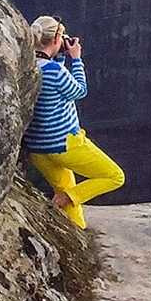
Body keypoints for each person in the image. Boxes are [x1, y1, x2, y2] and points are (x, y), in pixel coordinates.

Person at [23, 16, 124, 229]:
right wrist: (76, 59)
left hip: (38, 149)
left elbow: (53, 86)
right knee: (114, 176)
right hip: (65, 145)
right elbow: (79, 90)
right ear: (58, 38)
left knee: (67, 191)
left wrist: (60, 58)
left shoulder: (29, 66)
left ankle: (78, 230)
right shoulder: (54, 71)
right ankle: (64, 199)